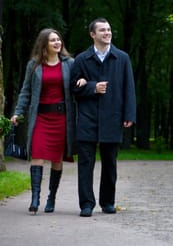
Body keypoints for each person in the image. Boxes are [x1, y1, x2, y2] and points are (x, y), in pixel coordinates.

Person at [11, 28, 86, 215]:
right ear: (44, 43)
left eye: (58, 40)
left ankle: (51, 197)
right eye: (53, 40)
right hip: (40, 118)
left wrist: (83, 81)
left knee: (56, 159)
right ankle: (35, 198)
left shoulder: (70, 63)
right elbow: (26, 91)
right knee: (37, 154)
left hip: (62, 118)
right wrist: (18, 112)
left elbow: (79, 81)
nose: (57, 43)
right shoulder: (34, 65)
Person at [70, 17, 136, 217]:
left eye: (109, 29)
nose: (107, 33)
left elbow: (129, 88)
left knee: (110, 163)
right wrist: (92, 87)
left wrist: (129, 114)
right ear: (93, 34)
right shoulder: (82, 59)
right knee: (85, 163)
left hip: (113, 117)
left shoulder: (122, 58)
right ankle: (86, 204)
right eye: (102, 30)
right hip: (87, 118)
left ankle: (108, 202)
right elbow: (73, 88)